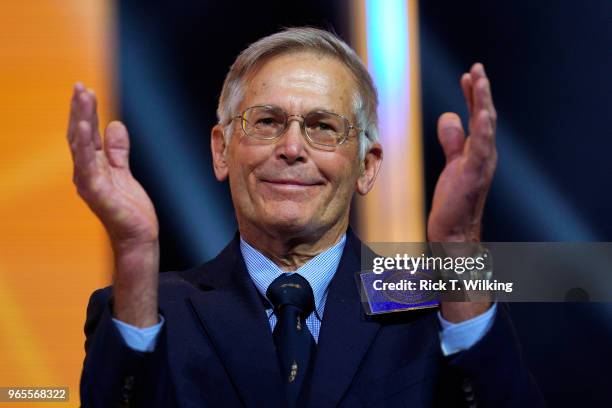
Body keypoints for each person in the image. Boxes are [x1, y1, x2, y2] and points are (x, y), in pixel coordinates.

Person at [71, 27, 542, 407]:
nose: (292, 149)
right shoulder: (155, 311)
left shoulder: (432, 305)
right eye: (268, 122)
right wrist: (134, 252)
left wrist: (459, 244)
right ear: (221, 151)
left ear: (367, 165)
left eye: (322, 127)